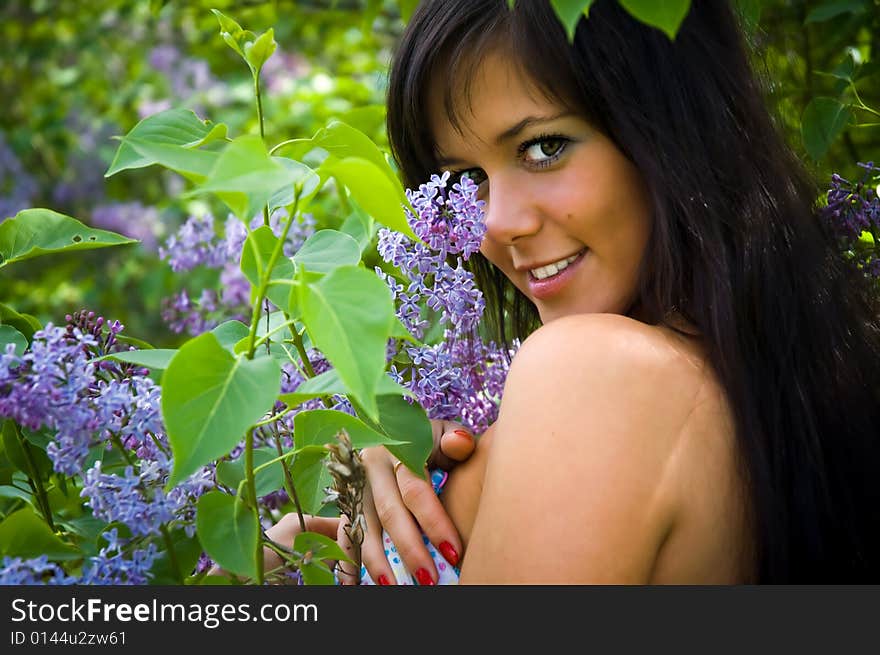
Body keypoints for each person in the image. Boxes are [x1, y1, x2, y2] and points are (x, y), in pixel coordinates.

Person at [271, 0, 880, 583]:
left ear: (669, 126)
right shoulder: (771, 392)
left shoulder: (599, 372)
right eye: (466, 180)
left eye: (544, 147)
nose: (497, 223)